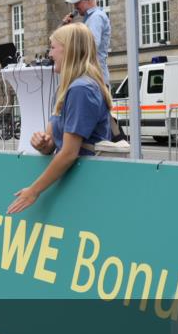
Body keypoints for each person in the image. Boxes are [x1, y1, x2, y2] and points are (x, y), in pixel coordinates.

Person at [8, 24, 112, 214]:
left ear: (69, 50)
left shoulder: (81, 89)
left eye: (53, 48)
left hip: (84, 184)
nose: (50, 54)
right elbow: (51, 144)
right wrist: (41, 142)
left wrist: (34, 191)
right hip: (74, 182)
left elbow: (69, 152)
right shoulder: (68, 88)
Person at [62, 0, 111, 85]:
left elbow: (91, 45)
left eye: (77, 2)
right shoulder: (91, 18)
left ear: (88, 0)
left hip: (94, 77)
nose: (75, 7)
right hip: (93, 76)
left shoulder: (96, 17)